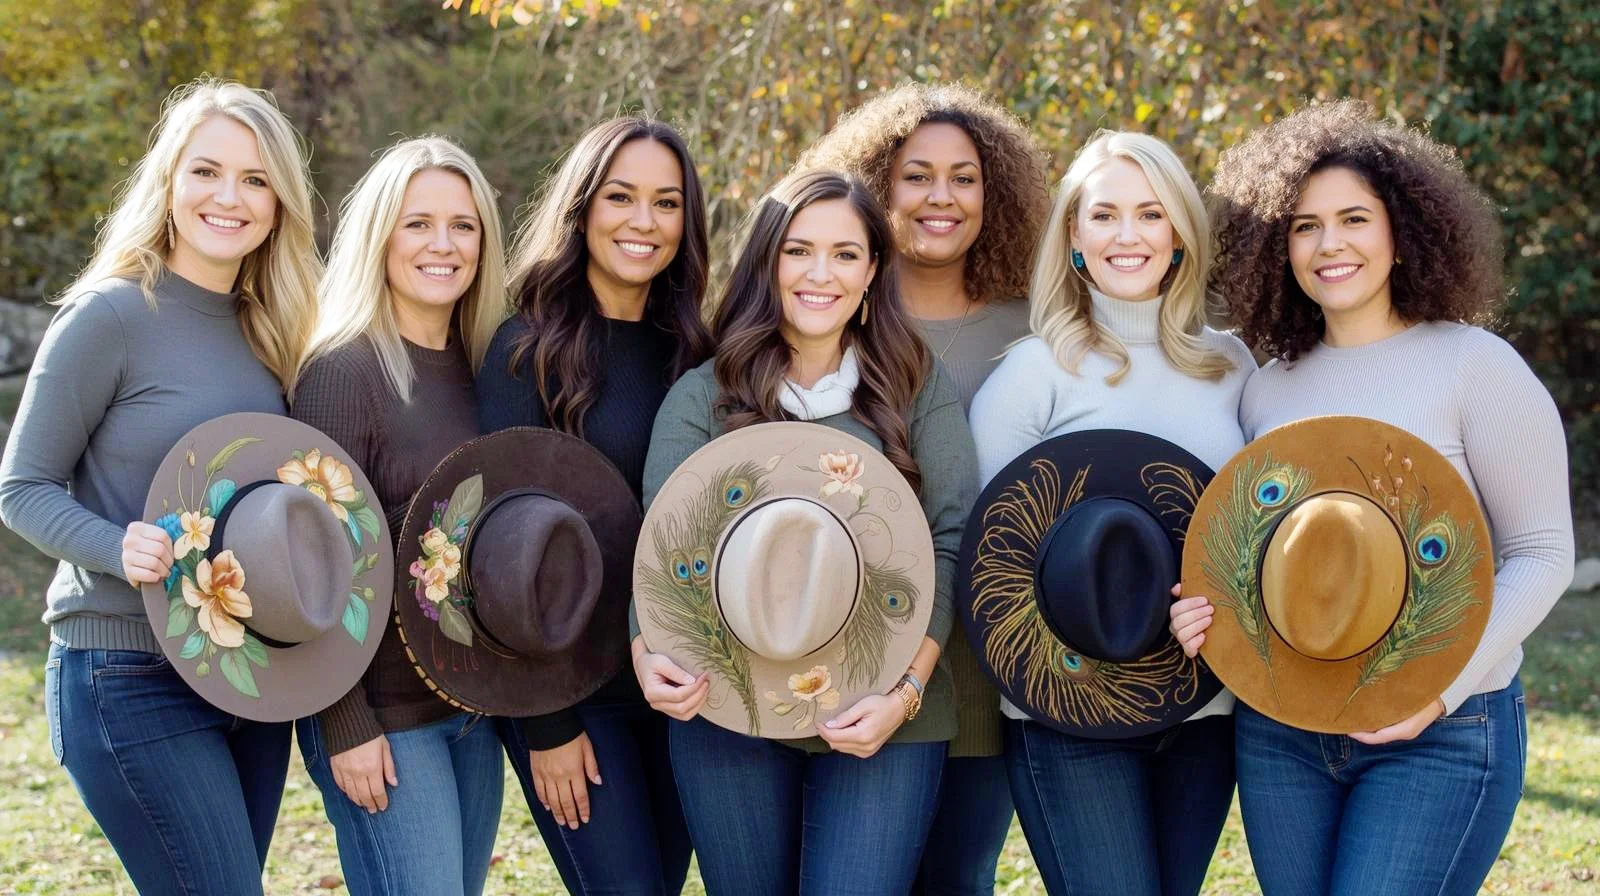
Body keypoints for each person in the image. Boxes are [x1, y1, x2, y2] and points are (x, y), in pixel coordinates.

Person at [1170, 100, 1574, 895]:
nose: (1331, 245)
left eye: (1354, 218)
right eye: (1304, 226)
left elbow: (1542, 552)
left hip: (1445, 733)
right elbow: (1260, 556)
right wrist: (1207, 612)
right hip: (1283, 735)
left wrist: (1436, 692)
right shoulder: (1266, 389)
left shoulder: (1474, 365)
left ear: (1404, 231)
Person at [0, 78, 321, 894]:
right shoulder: (108, 316)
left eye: (255, 180)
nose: (230, 197)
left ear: (280, 204)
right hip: (128, 676)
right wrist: (118, 547)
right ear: (169, 182)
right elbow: (22, 486)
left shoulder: (276, 330)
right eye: (207, 171)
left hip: (246, 677)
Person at [632, 168, 978, 895]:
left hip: (884, 712)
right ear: (767, 262)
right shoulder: (704, 394)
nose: (821, 274)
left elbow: (949, 539)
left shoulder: (918, 385)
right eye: (798, 251)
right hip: (727, 704)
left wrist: (906, 693)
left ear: (873, 270)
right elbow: (661, 548)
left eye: (846, 254)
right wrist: (645, 648)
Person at [968, 130, 1252, 895]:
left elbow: (1263, 536)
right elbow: (989, 561)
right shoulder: (1032, 375)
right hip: (1065, 713)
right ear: (1074, 238)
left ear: (1181, 236)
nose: (1129, 235)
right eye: (1105, 215)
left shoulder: (1234, 368)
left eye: (1152, 214)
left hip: (1207, 710)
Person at [800, 87, 1048, 893]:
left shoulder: (1035, 330)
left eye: (965, 178)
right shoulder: (824, 321)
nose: (941, 197)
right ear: (875, 186)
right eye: (916, 176)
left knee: (958, 876)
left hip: (985, 665)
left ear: (995, 194)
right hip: (851, 662)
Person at [477, 117, 711, 895]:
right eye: (621, 196)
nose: (643, 222)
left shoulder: (700, 353)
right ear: (582, 206)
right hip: (574, 696)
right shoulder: (525, 349)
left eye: (666, 202)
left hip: (685, 693)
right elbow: (494, 549)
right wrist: (547, 724)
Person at [287, 135, 510, 896]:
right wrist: (342, 724)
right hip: (380, 716)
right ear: (380, 234)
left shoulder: (485, 368)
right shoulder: (341, 372)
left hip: (473, 711)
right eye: (418, 223)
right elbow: (307, 569)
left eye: (463, 224)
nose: (442, 245)